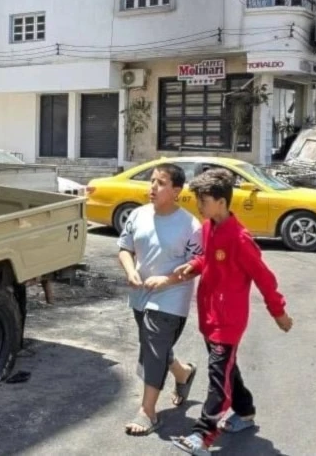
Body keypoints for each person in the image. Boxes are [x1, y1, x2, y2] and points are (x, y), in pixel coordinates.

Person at [172, 168, 293, 456]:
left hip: (228, 321)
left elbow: (265, 278)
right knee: (227, 370)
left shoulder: (240, 239)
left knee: (218, 378)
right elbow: (208, 259)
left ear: (222, 202)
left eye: (203, 201)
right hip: (209, 316)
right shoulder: (208, 227)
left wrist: (279, 313)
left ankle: (203, 435)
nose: (199, 206)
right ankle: (245, 411)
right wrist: (194, 266)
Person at [117, 163, 202, 436]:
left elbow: (195, 266)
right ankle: (183, 373)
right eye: (152, 181)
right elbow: (124, 248)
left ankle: (148, 412)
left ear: (177, 190)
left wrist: (167, 281)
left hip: (171, 297)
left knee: (153, 349)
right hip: (140, 294)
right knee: (155, 345)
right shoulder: (138, 215)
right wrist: (130, 271)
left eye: (161, 183)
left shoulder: (190, 226)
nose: (152, 187)